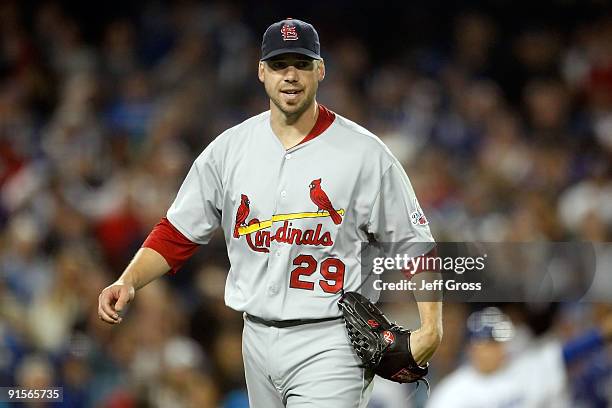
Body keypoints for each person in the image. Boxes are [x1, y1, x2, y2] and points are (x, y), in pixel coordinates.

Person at [98, 18, 443, 407]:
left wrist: (432, 325)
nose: (290, 75)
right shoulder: (229, 150)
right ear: (262, 72)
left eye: (301, 63)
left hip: (332, 340)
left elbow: (415, 245)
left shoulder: (365, 154)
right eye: (280, 65)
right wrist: (129, 280)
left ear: (321, 69)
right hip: (255, 337)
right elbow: (178, 232)